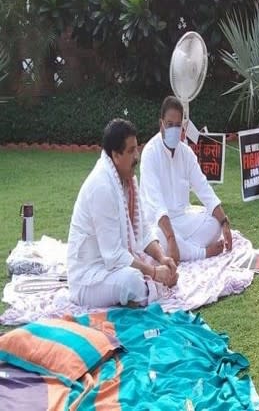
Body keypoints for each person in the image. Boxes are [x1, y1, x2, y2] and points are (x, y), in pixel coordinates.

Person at [67, 119, 178, 308]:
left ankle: (150, 284)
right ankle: (147, 288)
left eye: (137, 148)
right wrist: (153, 272)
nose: (137, 156)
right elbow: (113, 256)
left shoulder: (128, 180)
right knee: (133, 282)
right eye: (131, 151)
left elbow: (142, 231)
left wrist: (162, 258)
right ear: (116, 155)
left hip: (112, 267)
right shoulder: (102, 186)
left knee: (158, 247)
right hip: (89, 277)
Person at [139, 96, 232, 263]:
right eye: (169, 124)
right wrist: (171, 238)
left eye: (177, 125)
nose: (174, 129)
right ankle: (200, 253)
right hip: (159, 223)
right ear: (161, 124)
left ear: (183, 125)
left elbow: (203, 188)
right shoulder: (150, 153)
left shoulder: (186, 153)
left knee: (214, 224)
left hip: (183, 219)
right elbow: (156, 204)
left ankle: (182, 250)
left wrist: (224, 222)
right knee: (156, 239)